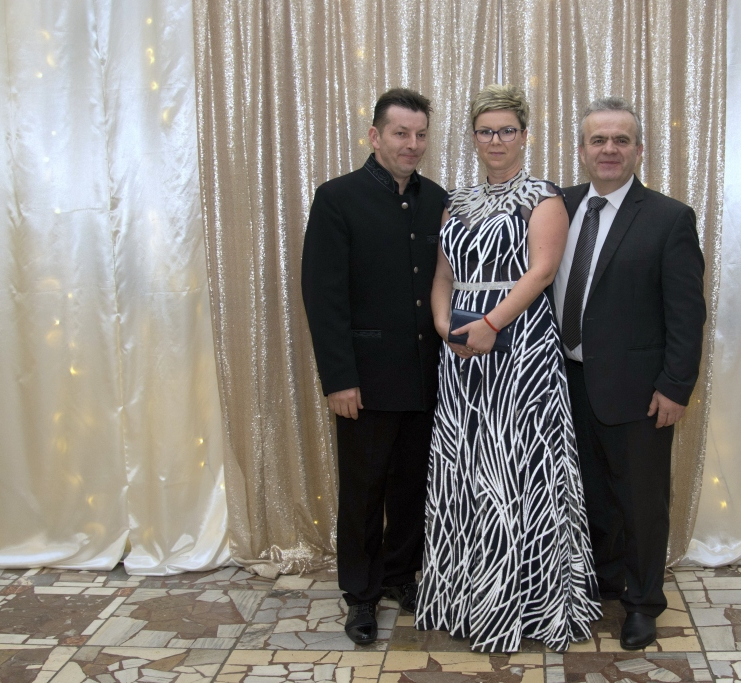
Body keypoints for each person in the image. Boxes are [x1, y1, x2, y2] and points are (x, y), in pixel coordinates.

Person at [414, 84, 600, 652]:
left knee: (519, 467)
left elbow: (542, 271)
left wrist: (491, 323)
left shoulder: (543, 197)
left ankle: (529, 603)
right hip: (462, 353)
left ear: (524, 135)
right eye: (486, 130)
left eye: (507, 130)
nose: (496, 140)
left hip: (520, 349)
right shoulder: (457, 201)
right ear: (473, 137)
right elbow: (443, 276)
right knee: (468, 467)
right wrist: (444, 325)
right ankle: (468, 597)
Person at [555, 97, 706, 650]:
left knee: (641, 503)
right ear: (582, 150)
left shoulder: (669, 218)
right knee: (587, 495)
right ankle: (603, 584)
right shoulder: (558, 207)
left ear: (639, 150)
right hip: (563, 383)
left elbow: (687, 314)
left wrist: (675, 386)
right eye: (598, 140)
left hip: (639, 390)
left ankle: (643, 604)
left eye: (621, 140)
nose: (609, 149)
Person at [301, 88, 447, 645]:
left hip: (427, 376)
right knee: (364, 491)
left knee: (412, 485)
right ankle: (360, 594)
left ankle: (401, 576)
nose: (412, 144)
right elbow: (324, 297)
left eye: (420, 134)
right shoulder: (337, 198)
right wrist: (339, 378)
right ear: (375, 136)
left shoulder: (438, 200)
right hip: (364, 379)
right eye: (400, 133)